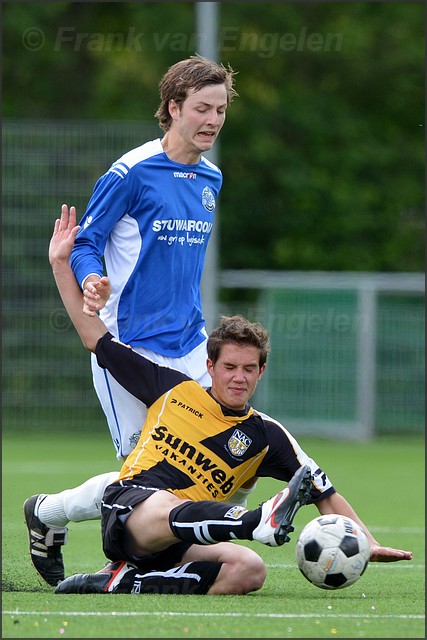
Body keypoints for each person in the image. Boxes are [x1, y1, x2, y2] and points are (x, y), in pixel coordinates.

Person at [47, 206, 411, 596]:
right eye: (230, 366)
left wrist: (364, 541)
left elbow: (323, 491)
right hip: (133, 511)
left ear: (261, 372)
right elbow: (93, 336)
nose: (239, 377)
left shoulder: (266, 435)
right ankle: (255, 521)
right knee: (165, 505)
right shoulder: (172, 389)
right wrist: (59, 263)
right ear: (211, 365)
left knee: (249, 569)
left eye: (249, 369)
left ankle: (122, 581)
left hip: (180, 543)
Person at [24, 55, 255, 588]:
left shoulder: (211, 177)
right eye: (202, 108)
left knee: (218, 455)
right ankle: (49, 513)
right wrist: (90, 280)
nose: (213, 120)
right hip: (128, 346)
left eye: (221, 110)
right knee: (146, 479)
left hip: (191, 346)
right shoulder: (130, 172)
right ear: (173, 108)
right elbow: (86, 241)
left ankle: (172, 547)